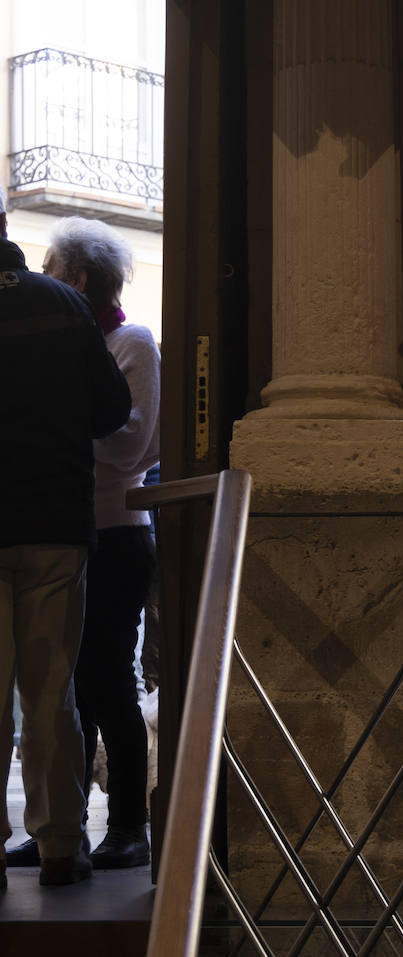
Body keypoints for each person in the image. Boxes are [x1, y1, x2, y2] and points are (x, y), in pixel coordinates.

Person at [0, 187, 132, 887]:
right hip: (55, 525)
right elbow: (113, 409)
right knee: (52, 691)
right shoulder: (65, 305)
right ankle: (59, 844)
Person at [41, 217, 160, 870]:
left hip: (117, 534)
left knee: (110, 680)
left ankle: (130, 826)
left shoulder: (133, 341)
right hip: (73, 529)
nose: (43, 279)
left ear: (78, 280)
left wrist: (56, 439)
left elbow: (132, 443)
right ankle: (65, 826)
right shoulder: (71, 348)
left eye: (52, 268)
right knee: (69, 686)